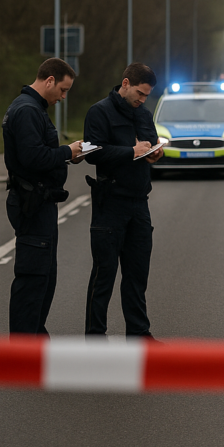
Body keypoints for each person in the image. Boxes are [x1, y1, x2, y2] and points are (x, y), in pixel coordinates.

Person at [2, 58, 83, 334]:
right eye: (63, 90)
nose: (63, 97)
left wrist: (68, 155)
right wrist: (67, 151)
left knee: (44, 279)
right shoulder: (27, 110)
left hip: (40, 203)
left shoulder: (32, 107)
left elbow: (38, 152)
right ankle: (24, 349)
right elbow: (33, 157)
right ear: (49, 81)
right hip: (32, 204)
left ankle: (35, 341)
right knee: (33, 279)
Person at [83, 63, 163, 338]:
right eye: (140, 93)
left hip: (139, 202)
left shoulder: (144, 114)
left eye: (147, 96)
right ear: (125, 84)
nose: (142, 100)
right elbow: (92, 153)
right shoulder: (99, 112)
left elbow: (150, 142)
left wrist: (155, 153)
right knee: (103, 275)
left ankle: (139, 335)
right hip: (110, 202)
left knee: (137, 275)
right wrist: (131, 151)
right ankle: (95, 339)